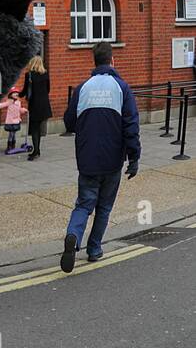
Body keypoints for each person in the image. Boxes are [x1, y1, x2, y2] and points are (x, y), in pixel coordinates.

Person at [60, 41, 140, 273]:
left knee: (84, 204)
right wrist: (134, 157)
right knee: (104, 207)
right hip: (113, 159)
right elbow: (131, 125)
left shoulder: (83, 88)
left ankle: (73, 235)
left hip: (87, 159)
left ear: (93, 61)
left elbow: (68, 122)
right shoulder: (121, 88)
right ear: (112, 60)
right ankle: (94, 249)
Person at [20, 55, 51, 160]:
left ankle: (36, 151)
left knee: (34, 129)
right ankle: (37, 149)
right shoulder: (45, 74)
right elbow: (48, 89)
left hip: (34, 104)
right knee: (39, 128)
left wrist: (18, 95)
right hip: (44, 104)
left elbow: (25, 90)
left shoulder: (29, 75)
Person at [0, 87, 27, 154]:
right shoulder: (9, 102)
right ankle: (9, 146)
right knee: (11, 134)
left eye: (17, 93)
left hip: (16, 121)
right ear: (11, 94)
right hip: (10, 121)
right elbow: (2, 105)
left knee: (14, 134)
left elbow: (19, 110)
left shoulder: (18, 102)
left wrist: (23, 110)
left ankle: (13, 146)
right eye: (14, 93)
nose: (16, 94)